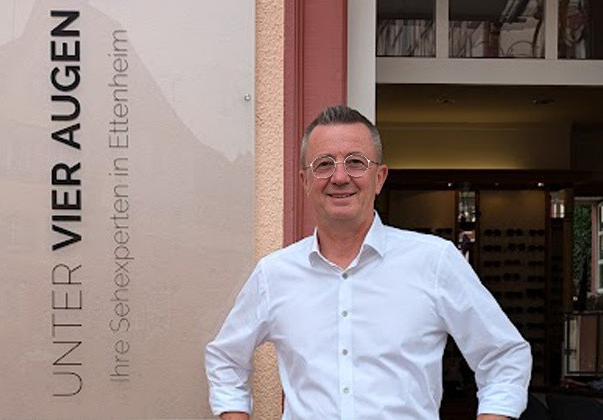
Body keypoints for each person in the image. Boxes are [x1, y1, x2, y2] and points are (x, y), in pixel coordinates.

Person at [205, 105, 532, 420]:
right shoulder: (274, 274)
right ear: (305, 181)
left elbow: (504, 356)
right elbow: (225, 358)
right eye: (324, 164)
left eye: (356, 162)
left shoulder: (435, 262)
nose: (340, 177)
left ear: (379, 177)